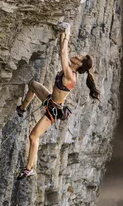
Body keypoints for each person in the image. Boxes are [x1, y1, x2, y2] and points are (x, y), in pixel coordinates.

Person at [16, 22, 101, 179]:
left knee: (34, 136)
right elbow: (63, 51)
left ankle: (29, 168)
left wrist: (67, 32)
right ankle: (21, 109)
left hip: (53, 111)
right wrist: (63, 33)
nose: (77, 56)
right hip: (50, 100)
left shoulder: (70, 75)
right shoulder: (70, 67)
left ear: (80, 64)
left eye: (80, 57)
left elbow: (63, 53)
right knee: (33, 85)